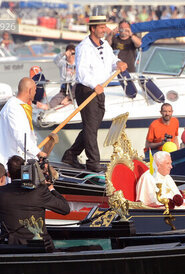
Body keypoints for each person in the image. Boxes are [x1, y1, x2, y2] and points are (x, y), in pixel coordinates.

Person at [61, 16, 127, 172]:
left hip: (100, 88)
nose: (104, 30)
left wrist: (118, 63)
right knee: (91, 128)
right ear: (93, 29)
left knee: (92, 127)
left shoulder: (105, 45)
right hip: (86, 89)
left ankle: (71, 155)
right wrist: (94, 85)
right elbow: (82, 73)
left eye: (105, 27)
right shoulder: (83, 47)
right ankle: (93, 162)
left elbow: (112, 60)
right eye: (101, 27)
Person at [0, 155, 70, 251]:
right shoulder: (40, 191)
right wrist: (51, 188)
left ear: (8, 174)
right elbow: (65, 209)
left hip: (12, 247)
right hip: (40, 247)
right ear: (25, 171)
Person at [0, 78, 47, 166]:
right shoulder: (13, 108)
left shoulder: (20, 106)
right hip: (11, 162)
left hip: (21, 159)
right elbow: (20, 136)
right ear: (29, 91)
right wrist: (37, 153)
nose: (35, 93)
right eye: (35, 90)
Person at [49, 44, 76, 109]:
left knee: (78, 84)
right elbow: (55, 60)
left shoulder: (79, 63)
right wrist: (63, 53)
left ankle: (68, 98)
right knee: (54, 99)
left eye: (73, 53)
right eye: (70, 54)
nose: (71, 56)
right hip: (64, 90)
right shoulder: (63, 63)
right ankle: (48, 106)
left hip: (75, 89)